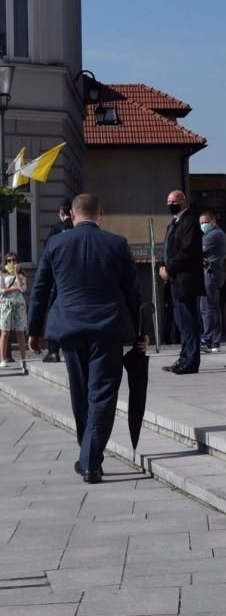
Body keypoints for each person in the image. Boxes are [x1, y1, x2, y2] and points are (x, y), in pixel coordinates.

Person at [27, 193, 145, 484]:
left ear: (71, 214)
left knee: (80, 395)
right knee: (102, 395)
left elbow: (40, 289)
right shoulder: (117, 244)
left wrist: (34, 330)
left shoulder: (55, 243)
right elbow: (134, 293)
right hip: (107, 329)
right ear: (100, 213)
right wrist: (141, 334)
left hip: (69, 330)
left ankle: (88, 456)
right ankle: (91, 459)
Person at [159, 189, 203, 374]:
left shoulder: (190, 221)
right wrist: (163, 266)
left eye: (174, 201)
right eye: (168, 201)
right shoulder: (174, 222)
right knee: (181, 322)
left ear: (183, 201)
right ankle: (184, 357)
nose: (171, 204)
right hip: (175, 281)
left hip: (186, 280)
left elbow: (187, 250)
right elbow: (169, 248)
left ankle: (191, 361)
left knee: (189, 322)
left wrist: (169, 269)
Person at [42, 200, 71, 362]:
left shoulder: (56, 229)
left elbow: (47, 253)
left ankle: (53, 351)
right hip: (75, 280)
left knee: (54, 312)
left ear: (61, 211)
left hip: (58, 279)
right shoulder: (77, 228)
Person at [198, 211, 226, 353]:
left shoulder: (214, 235)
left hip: (210, 274)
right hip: (212, 273)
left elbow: (196, 250)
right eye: (201, 223)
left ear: (213, 222)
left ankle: (208, 339)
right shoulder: (215, 234)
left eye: (205, 222)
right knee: (213, 308)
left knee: (207, 308)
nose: (203, 225)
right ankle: (214, 341)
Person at [0, 253, 26, 370]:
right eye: (8, 260)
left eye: (13, 260)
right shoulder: (2, 274)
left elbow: (23, 288)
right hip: (6, 305)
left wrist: (16, 273)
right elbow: (1, 290)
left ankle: (23, 359)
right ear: (5, 262)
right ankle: (2, 359)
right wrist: (15, 288)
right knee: (5, 332)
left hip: (19, 305)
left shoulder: (21, 275)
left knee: (20, 332)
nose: (11, 263)